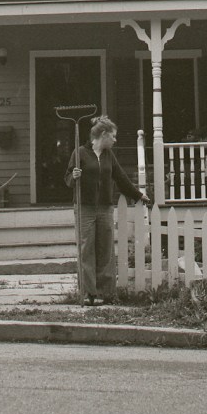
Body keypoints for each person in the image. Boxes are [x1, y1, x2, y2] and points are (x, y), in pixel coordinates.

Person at [65, 115, 149, 306]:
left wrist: (137, 195)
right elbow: (67, 178)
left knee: (105, 250)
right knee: (86, 249)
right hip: (84, 208)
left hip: (104, 208)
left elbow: (120, 178)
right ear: (103, 135)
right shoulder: (79, 153)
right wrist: (74, 176)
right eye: (113, 136)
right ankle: (88, 293)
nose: (115, 140)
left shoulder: (109, 156)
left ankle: (105, 293)